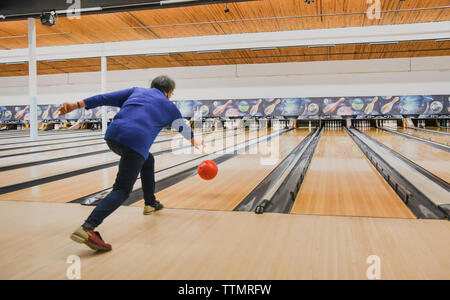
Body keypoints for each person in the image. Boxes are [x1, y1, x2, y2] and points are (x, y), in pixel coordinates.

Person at [57, 75, 204, 251]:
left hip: (113, 136)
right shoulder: (169, 106)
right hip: (135, 143)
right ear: (169, 93)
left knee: (148, 160)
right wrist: (196, 142)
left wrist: (76, 104)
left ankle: (150, 203)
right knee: (121, 189)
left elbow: (104, 98)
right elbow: (183, 128)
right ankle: (88, 228)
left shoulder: (136, 91)